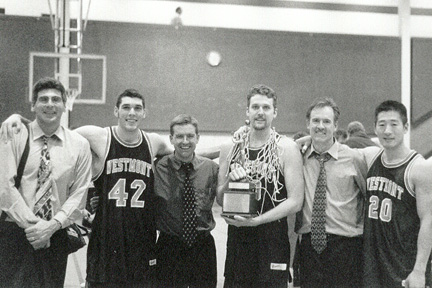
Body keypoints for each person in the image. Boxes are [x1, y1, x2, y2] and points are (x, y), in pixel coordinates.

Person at [1, 89, 173, 287]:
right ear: (116, 111)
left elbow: (183, 155)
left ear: (144, 113)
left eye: (137, 108)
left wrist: (216, 155)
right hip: (107, 234)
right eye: (126, 107)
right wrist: (19, 119)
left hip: (142, 235)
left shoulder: (154, 142)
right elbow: (51, 130)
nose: (131, 113)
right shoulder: (98, 136)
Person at [0, 77, 92, 287]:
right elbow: (4, 188)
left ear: (64, 105)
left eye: (55, 99)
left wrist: (51, 227)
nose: (50, 104)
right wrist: (36, 228)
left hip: (55, 235)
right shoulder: (12, 134)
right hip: (16, 233)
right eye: (43, 99)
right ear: (33, 105)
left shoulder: (79, 145)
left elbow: (79, 193)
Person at [217, 84, 304, 288]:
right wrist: (230, 181)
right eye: (255, 107)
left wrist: (258, 221)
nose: (260, 112)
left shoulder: (287, 148)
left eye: (266, 107)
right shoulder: (230, 148)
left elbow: (296, 201)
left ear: (275, 112)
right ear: (247, 111)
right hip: (239, 235)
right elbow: (220, 198)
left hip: (272, 236)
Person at [296, 98, 368, 288]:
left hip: (346, 247)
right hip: (309, 246)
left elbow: (369, 197)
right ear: (308, 123)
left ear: (336, 125)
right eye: (316, 121)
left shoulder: (354, 158)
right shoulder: (298, 156)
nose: (320, 126)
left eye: (326, 121)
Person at [363, 100, 432, 287]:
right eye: (382, 124)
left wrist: (419, 270)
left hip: (405, 268)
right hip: (374, 267)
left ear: (406, 127)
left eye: (394, 124)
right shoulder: (370, 157)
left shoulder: (419, 168)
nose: (387, 131)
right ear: (375, 128)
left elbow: (429, 221)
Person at [153, 114, 219, 288]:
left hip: (202, 246)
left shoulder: (211, 168)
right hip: (169, 247)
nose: (185, 141)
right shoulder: (157, 167)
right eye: (179, 136)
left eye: (190, 136)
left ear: (197, 138)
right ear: (171, 139)